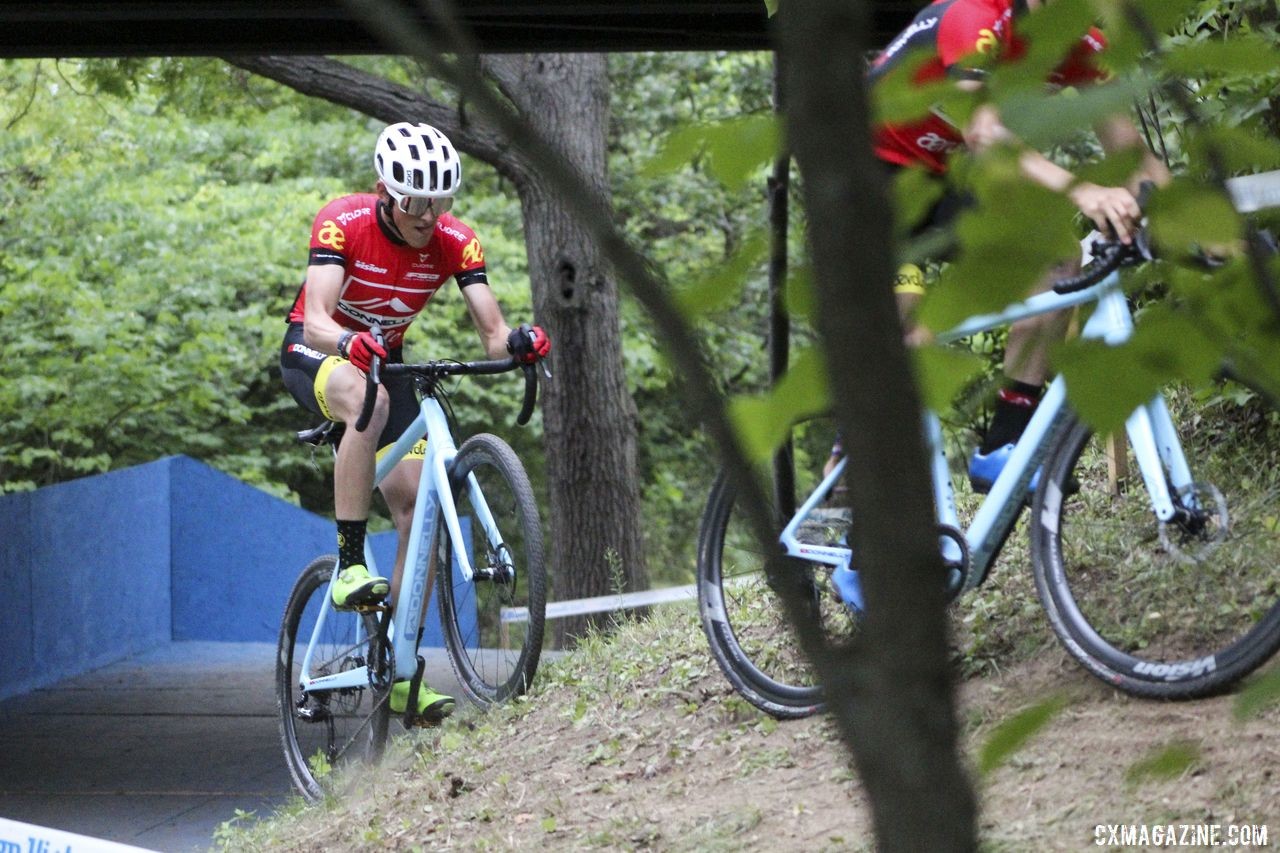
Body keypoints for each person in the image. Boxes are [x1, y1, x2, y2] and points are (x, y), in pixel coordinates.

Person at [280, 122, 550, 723]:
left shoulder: (456, 240)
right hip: (318, 350)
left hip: (387, 361)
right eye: (415, 201)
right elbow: (319, 316)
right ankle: (349, 563)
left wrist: (521, 340)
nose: (429, 215)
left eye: (441, 200)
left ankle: (399, 668)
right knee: (368, 406)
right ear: (384, 189)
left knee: (415, 507)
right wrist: (350, 340)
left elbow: (490, 331)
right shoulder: (342, 221)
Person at [866, 0, 1171, 491]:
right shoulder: (976, 15)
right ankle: (863, 506)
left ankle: (1004, 444)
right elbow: (983, 132)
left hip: (943, 175)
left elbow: (1135, 157)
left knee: (1055, 258)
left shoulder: (1080, 42)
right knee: (910, 333)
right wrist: (1083, 191)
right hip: (870, 172)